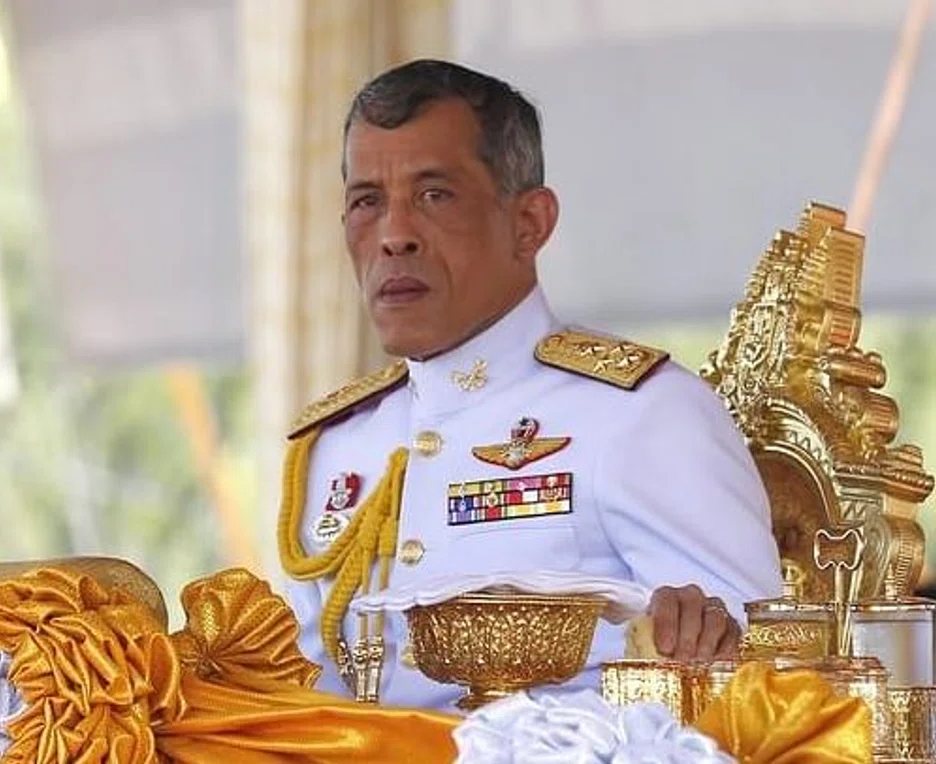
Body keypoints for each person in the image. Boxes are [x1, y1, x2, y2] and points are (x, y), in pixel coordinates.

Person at [277, 59, 782, 710]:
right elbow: (301, 698)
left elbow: (763, 688)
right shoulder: (335, 447)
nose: (394, 236)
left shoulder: (643, 413)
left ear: (530, 223)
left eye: (435, 195)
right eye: (366, 202)